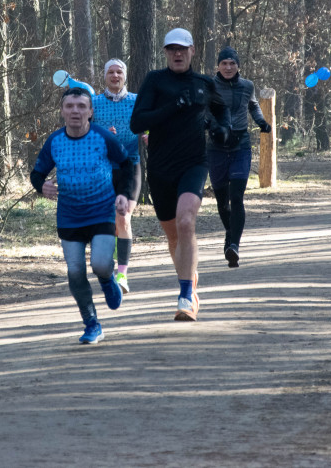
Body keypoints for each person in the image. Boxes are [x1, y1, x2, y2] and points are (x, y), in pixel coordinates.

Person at [129, 28, 231, 321]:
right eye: (172, 49)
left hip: (193, 164)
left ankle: (186, 296)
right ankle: (190, 279)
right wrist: (172, 107)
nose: (177, 53)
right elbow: (137, 123)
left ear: (192, 51)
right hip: (160, 169)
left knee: (186, 222)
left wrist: (222, 129)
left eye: (182, 49)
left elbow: (221, 112)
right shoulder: (155, 81)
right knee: (173, 236)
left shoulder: (204, 83)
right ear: (165, 52)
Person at [31, 87, 135, 344]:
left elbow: (127, 164)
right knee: (75, 271)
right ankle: (91, 324)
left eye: (81, 106)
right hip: (70, 215)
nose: (75, 111)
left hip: (102, 211)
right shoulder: (55, 141)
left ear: (90, 112)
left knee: (100, 264)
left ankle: (108, 280)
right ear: (62, 111)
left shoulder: (102, 136)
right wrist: (41, 186)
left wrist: (123, 194)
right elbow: (37, 173)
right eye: (69, 106)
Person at [207, 47, 272, 268]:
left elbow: (253, 105)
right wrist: (210, 125)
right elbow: (203, 110)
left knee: (236, 196)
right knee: (222, 200)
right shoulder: (209, 85)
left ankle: (234, 245)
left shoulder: (247, 85)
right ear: (218, 66)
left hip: (240, 145)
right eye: (224, 63)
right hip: (216, 146)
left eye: (232, 63)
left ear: (238, 66)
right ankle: (230, 234)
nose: (228, 67)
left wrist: (261, 122)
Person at [92, 59, 140, 294]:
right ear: (104, 76)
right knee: (109, 222)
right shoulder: (93, 103)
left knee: (123, 218)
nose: (114, 75)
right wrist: (102, 135)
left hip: (130, 166)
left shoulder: (136, 100)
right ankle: (109, 268)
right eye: (110, 72)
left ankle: (122, 275)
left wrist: (148, 134)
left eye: (119, 71)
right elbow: (83, 132)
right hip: (103, 169)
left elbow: (148, 124)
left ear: (125, 75)